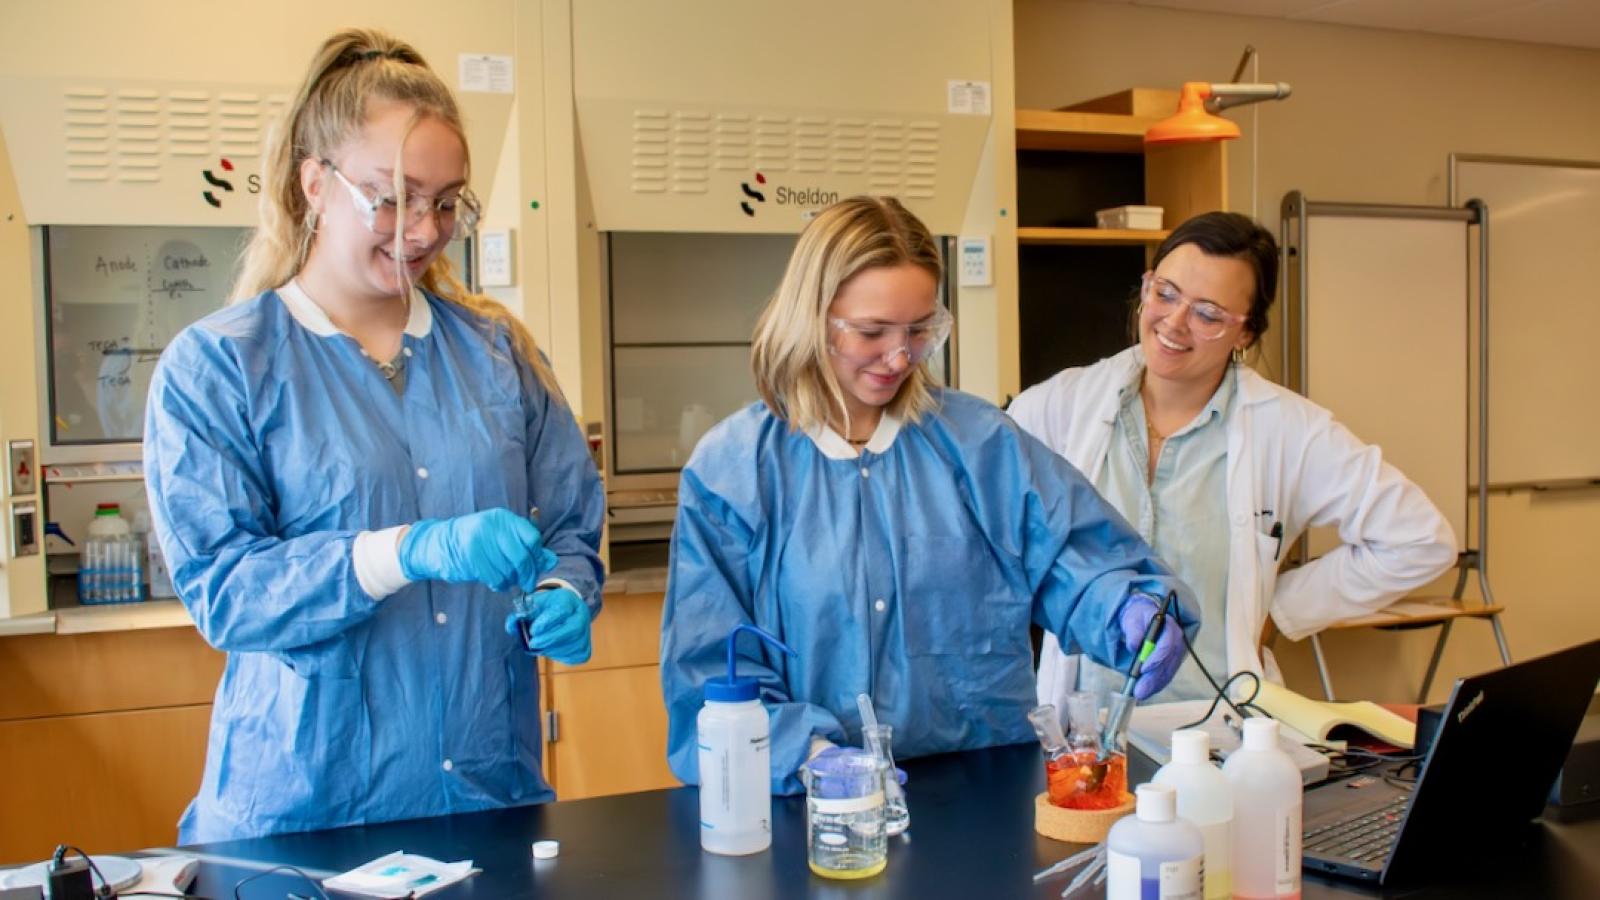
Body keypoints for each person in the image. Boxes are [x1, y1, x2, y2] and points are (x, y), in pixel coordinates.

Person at [143, 29, 604, 843]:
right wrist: (404, 552)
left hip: (485, 803)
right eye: (392, 197)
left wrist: (568, 589)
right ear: (315, 183)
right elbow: (226, 590)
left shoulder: (498, 355)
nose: (423, 229)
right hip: (304, 815)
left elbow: (570, 521)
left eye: (447, 200)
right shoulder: (218, 367)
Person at [659, 196, 1195, 795]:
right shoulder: (734, 472)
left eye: (919, 331)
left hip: (980, 800)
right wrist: (808, 756)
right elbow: (711, 669)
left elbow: (1074, 560)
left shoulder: (979, 444)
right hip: (806, 809)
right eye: (871, 332)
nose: (898, 356)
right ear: (810, 317)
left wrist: (1125, 607)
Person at [1008, 212, 1456, 709]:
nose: (1174, 323)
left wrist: (1280, 608)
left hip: (1220, 734)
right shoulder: (1057, 408)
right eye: (1165, 293)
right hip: (1084, 734)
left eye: (1208, 314)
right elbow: (992, 540)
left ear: (1246, 332)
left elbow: (1420, 540)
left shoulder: (1289, 430)